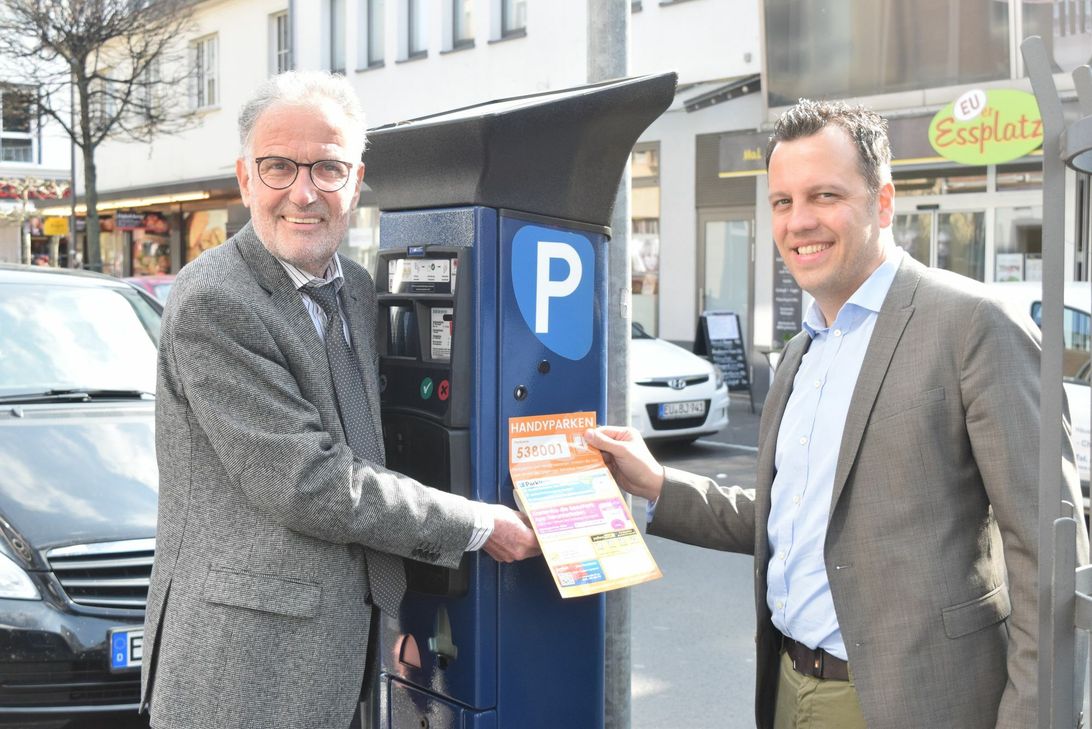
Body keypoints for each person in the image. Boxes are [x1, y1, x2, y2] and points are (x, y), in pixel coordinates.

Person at [586, 99, 1088, 729]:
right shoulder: (800, 353)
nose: (800, 222)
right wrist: (655, 482)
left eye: (824, 195)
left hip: (918, 704)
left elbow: (1051, 555)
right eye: (782, 202)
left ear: (883, 203)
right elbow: (790, 520)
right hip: (790, 688)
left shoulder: (972, 325)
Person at [140, 71, 540, 729]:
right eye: (279, 167)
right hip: (241, 674)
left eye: (328, 168)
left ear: (355, 183)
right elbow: (312, 483)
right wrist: (475, 523)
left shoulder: (354, 286)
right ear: (245, 179)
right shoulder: (214, 301)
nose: (304, 192)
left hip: (346, 651)